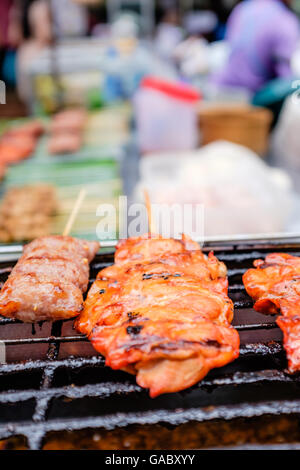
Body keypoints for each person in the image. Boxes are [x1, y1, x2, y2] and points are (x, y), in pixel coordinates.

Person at [212, 0, 300, 94]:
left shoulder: (242, 9)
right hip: (252, 96)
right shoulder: (284, 21)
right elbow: (287, 78)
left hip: (220, 88)